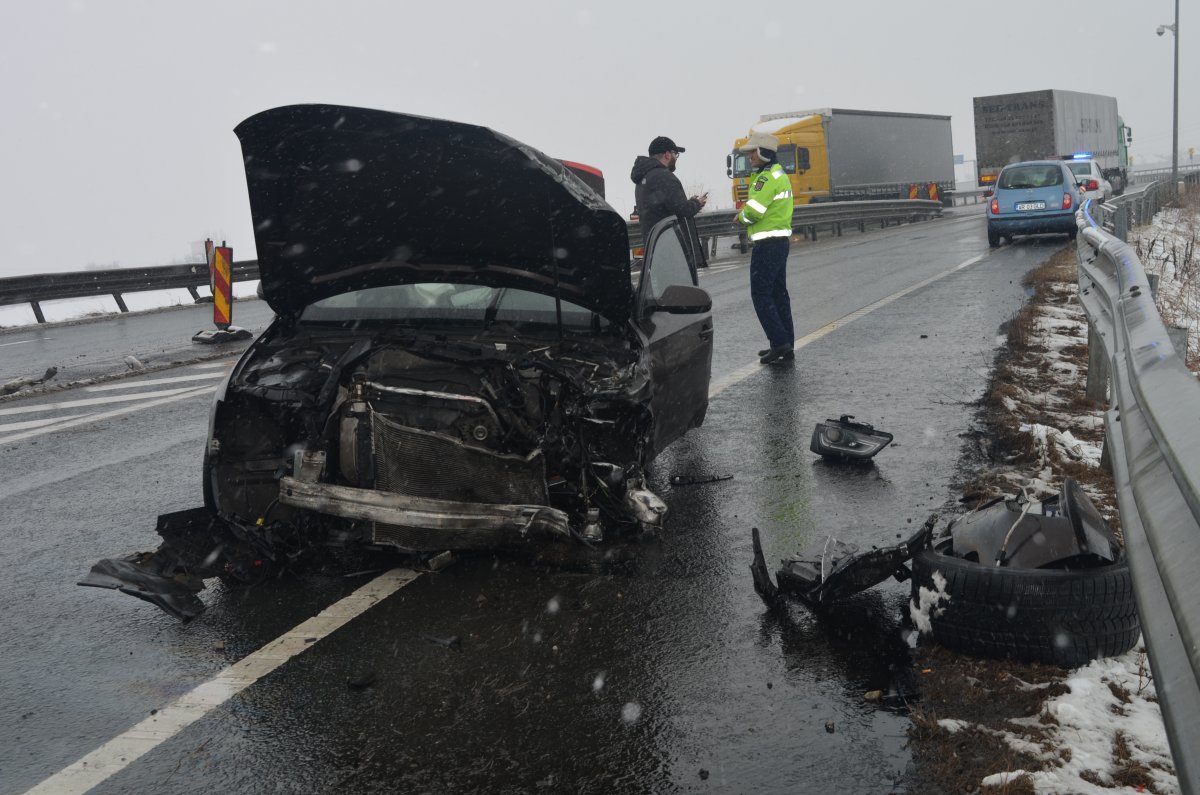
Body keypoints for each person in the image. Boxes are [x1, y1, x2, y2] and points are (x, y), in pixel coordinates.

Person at [734, 131, 795, 364]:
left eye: (752, 153)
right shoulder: (778, 173)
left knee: (761, 294)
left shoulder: (765, 178)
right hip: (780, 242)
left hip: (767, 244)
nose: (750, 157)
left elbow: (754, 211)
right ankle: (785, 343)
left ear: (763, 152)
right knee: (779, 294)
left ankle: (779, 343)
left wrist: (740, 218)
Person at [630, 136, 708, 265]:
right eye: (675, 154)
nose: (676, 158)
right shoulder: (664, 177)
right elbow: (683, 209)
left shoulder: (644, 177)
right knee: (680, 285)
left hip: (655, 244)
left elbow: (666, 206)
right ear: (667, 154)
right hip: (672, 247)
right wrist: (696, 203)